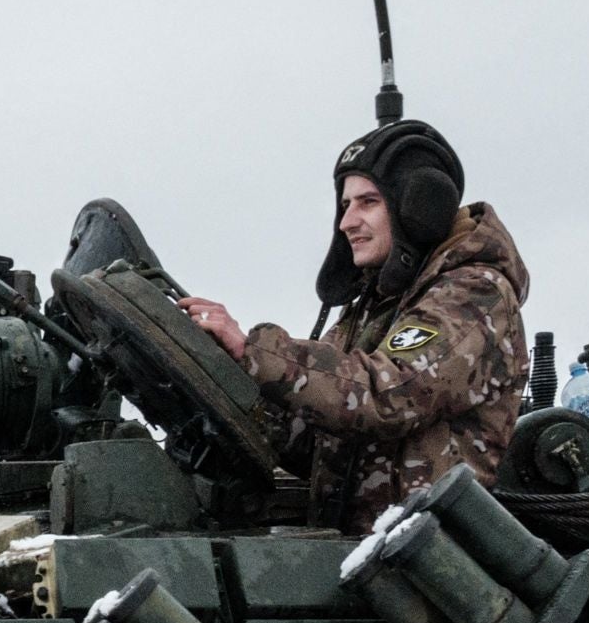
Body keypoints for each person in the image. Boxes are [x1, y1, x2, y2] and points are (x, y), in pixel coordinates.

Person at [182, 119, 527, 535]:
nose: (347, 222)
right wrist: (219, 384)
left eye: (367, 202)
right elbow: (311, 436)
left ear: (419, 210)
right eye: (346, 205)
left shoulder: (474, 295)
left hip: (431, 565)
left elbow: (386, 393)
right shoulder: (375, 306)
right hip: (357, 556)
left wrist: (253, 352)